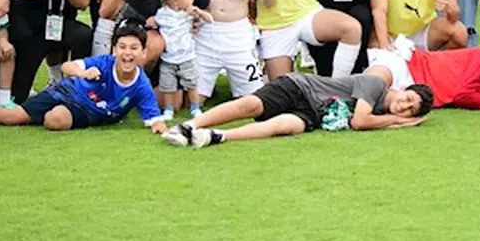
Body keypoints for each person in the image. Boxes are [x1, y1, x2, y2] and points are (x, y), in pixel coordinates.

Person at [0, 20, 168, 134]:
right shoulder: (104, 63)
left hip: (85, 111)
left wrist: (163, 129)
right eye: (122, 47)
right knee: (15, 117)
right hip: (66, 91)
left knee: (56, 120)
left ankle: (41, 114)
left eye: (134, 48)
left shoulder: (141, 85)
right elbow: (67, 66)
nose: (127, 53)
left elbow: (154, 120)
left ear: (143, 53)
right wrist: (83, 72)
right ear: (114, 49)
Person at [161, 73, 433, 147]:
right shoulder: (375, 85)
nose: (404, 106)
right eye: (408, 98)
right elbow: (360, 121)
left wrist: (394, 121)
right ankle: (190, 125)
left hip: (314, 114)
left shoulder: (382, 114)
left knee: (285, 127)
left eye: (410, 110)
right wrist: (397, 121)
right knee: (252, 105)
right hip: (300, 87)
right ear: (403, 88)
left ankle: (216, 136)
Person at [365, 46, 480, 110]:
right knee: (363, 94)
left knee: (371, 106)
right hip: (407, 65)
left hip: (414, 88)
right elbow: (461, 96)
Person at [152, 0, 211, 120]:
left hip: (187, 57)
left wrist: (199, 12)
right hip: (168, 57)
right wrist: (152, 21)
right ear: (175, 0)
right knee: (168, 86)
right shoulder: (162, 14)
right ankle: (168, 109)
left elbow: (210, 19)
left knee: (192, 84)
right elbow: (155, 21)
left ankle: (195, 108)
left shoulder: (190, 13)